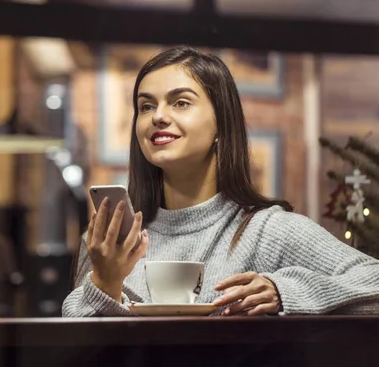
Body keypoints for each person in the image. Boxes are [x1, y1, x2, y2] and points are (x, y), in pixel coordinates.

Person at [62, 45, 379, 317]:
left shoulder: (268, 231)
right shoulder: (110, 238)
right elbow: (72, 350)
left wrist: (286, 291)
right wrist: (105, 282)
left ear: (221, 126)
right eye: (146, 106)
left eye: (180, 102)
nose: (157, 116)